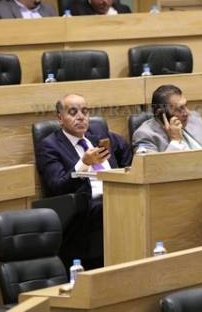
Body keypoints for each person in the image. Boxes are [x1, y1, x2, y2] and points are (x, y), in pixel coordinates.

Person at [35, 93, 132, 269]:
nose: (81, 117)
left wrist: (129, 172)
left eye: (85, 112)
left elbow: (125, 149)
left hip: (115, 196)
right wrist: (84, 163)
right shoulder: (49, 146)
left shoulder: (98, 135)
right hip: (85, 208)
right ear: (60, 118)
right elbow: (57, 187)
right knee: (115, 206)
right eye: (73, 112)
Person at [132, 84, 202, 152]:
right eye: (179, 109)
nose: (187, 113)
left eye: (186, 106)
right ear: (161, 113)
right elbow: (153, 170)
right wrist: (175, 140)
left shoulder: (193, 119)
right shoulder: (145, 135)